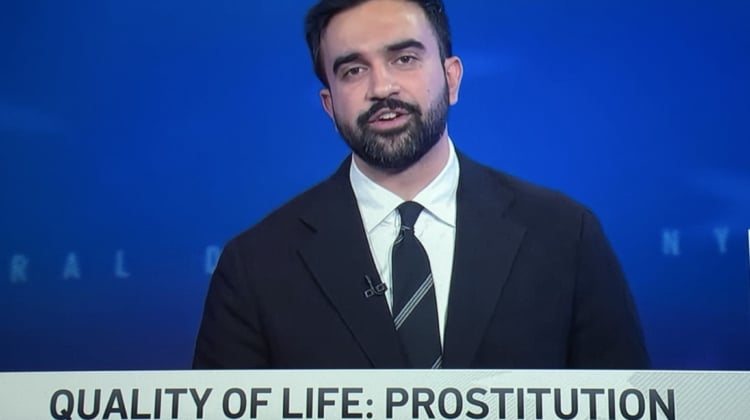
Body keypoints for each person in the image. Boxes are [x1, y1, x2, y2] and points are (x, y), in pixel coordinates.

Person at [193, 0, 649, 369]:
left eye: (405, 59)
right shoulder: (254, 267)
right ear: (329, 105)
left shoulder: (566, 236)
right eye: (353, 70)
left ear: (452, 78)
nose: (382, 87)